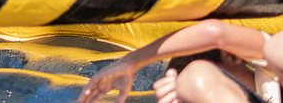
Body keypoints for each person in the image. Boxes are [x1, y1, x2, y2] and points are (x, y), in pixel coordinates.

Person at [77, 19, 283, 103]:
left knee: (276, 49)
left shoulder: (270, 70)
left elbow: (214, 32)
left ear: (232, 55)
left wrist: (131, 62)